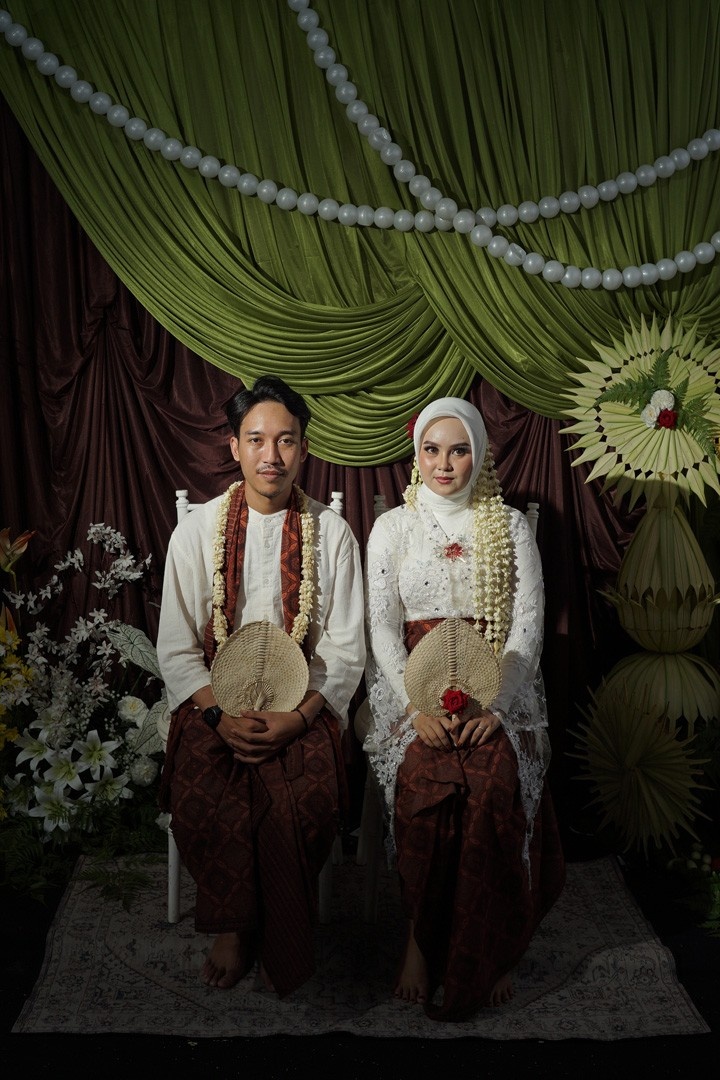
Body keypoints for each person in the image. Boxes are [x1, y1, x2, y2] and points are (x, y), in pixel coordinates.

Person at [157, 374, 365, 997]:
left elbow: (344, 649)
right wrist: (218, 717)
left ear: (305, 448)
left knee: (304, 795)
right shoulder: (197, 531)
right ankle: (234, 926)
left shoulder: (332, 533)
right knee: (207, 787)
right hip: (212, 702)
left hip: (303, 705)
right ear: (234, 447)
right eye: (256, 439)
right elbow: (176, 646)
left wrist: (297, 719)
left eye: (286, 440)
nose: (270, 455)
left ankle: (273, 928)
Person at [363, 396, 565, 1022]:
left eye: (458, 450)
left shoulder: (510, 527)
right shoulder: (392, 528)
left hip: (496, 687)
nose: (444, 464)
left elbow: (526, 628)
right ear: (416, 454)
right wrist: (414, 706)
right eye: (431, 450)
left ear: (480, 455)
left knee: (493, 784)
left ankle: (493, 945)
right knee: (426, 783)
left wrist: (496, 707)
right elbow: (382, 629)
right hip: (411, 688)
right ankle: (421, 940)